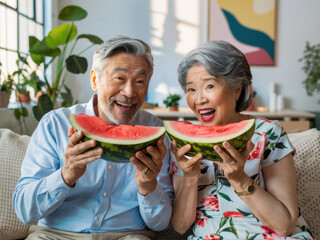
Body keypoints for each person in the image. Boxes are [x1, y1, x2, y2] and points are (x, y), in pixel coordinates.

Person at [13, 35, 174, 240]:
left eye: (140, 81)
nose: (130, 91)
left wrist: (148, 186)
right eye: (119, 78)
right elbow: (24, 211)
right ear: (94, 80)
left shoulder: (155, 131)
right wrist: (66, 175)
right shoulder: (55, 124)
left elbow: (160, 224)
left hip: (127, 236)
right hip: (55, 235)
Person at [169, 40, 314, 239]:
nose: (199, 99)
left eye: (209, 86)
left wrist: (240, 180)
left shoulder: (267, 133)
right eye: (191, 89)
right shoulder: (184, 144)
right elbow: (180, 226)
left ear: (236, 89)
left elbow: (285, 225)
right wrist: (190, 179)